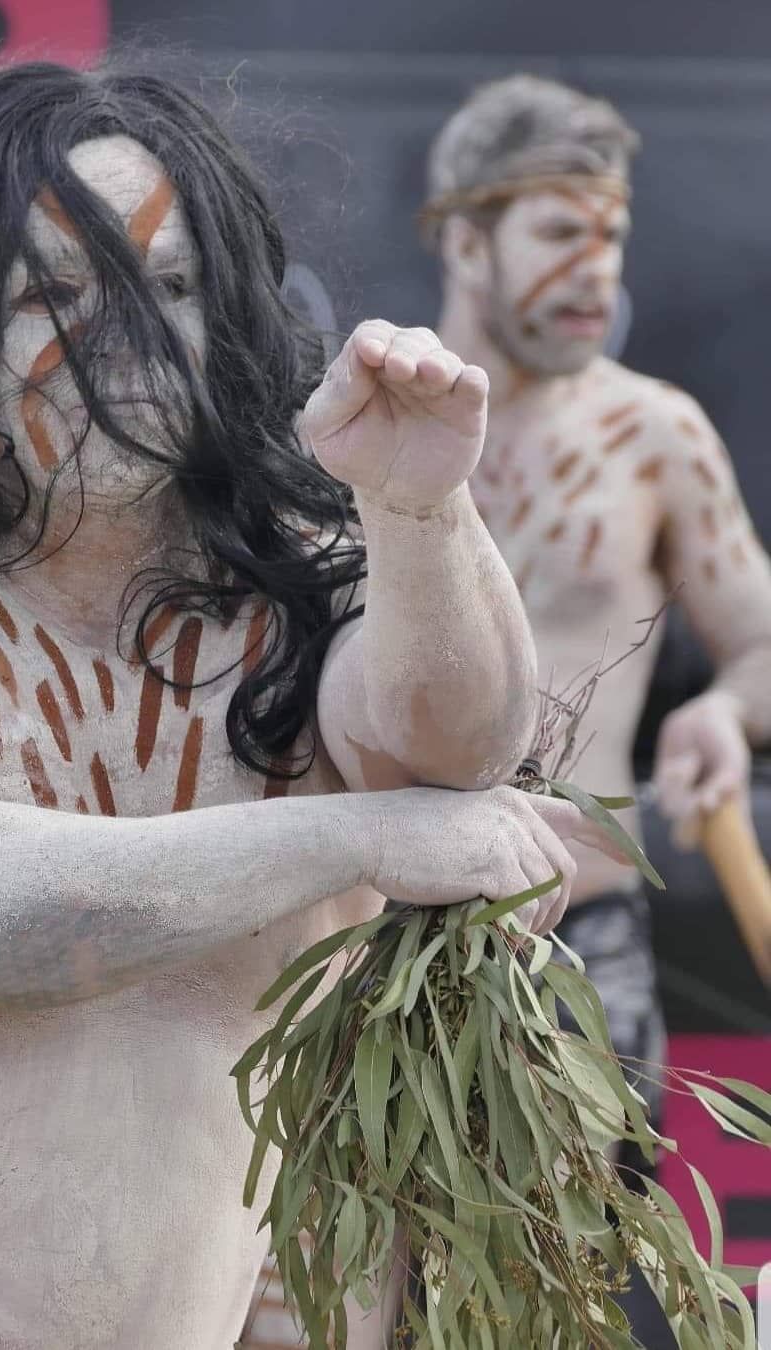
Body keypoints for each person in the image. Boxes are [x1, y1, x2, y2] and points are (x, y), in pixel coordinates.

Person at [0, 63, 622, 1350]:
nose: (121, 343)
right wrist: (356, 838)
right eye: (48, 295)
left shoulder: (285, 597)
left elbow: (455, 751)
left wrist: (416, 512)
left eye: (170, 288)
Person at [422, 70, 771, 1335]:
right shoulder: (358, 427)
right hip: (373, 933)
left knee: (568, 1299)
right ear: (465, 235)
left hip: (589, 949)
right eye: (560, 230)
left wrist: (723, 714)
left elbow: (762, 644)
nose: (595, 266)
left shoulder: (652, 435)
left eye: (611, 233)